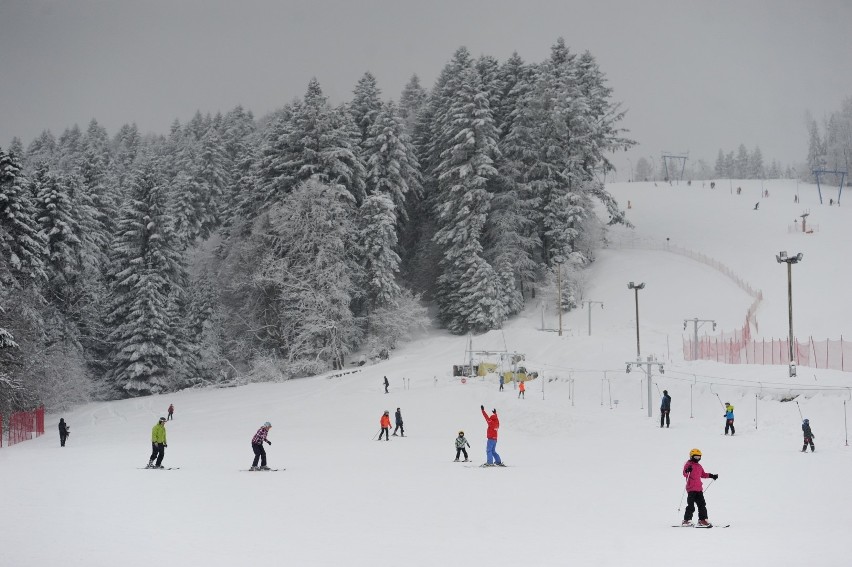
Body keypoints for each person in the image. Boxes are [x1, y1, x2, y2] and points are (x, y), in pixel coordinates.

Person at [681, 448, 719, 527]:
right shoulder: (688, 464)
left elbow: (703, 474)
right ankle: (686, 520)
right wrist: (688, 470)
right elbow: (685, 473)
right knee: (691, 505)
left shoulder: (699, 466)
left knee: (702, 505)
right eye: (696, 457)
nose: (697, 459)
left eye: (699, 457)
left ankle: (702, 520)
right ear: (691, 456)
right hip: (691, 489)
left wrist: (712, 475)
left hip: (699, 489)